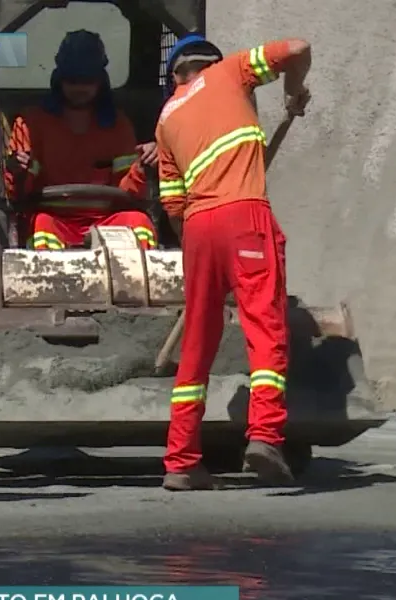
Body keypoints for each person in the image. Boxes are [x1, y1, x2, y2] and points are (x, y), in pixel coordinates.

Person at [154, 33, 312, 491]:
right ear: (211, 63)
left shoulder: (166, 119)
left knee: (197, 343)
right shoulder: (231, 73)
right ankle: (264, 436)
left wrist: (203, 254)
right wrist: (291, 91)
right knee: (264, 326)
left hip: (199, 229)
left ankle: (181, 461)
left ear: (175, 77)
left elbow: (173, 205)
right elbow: (298, 48)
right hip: (245, 214)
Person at [4, 30, 157, 250]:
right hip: (55, 218)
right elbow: (17, 194)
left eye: (87, 80)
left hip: (106, 220)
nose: (79, 88)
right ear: (59, 78)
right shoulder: (30, 123)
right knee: (41, 226)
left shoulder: (119, 126)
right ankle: (53, 284)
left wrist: (141, 168)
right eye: (72, 80)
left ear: (100, 80)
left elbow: (128, 191)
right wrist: (18, 172)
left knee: (139, 223)